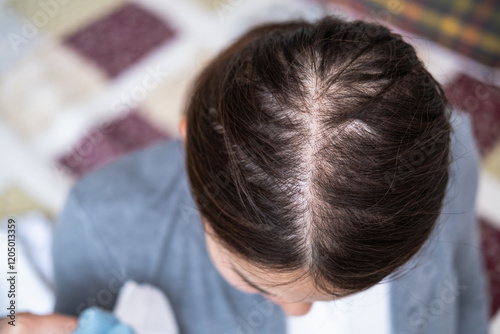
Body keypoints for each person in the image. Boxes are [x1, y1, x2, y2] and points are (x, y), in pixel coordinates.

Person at [0, 15, 489, 334]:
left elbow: (462, 290)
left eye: (360, 284)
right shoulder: (104, 232)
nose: (298, 311)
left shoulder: (442, 159)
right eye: (252, 280)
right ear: (189, 140)